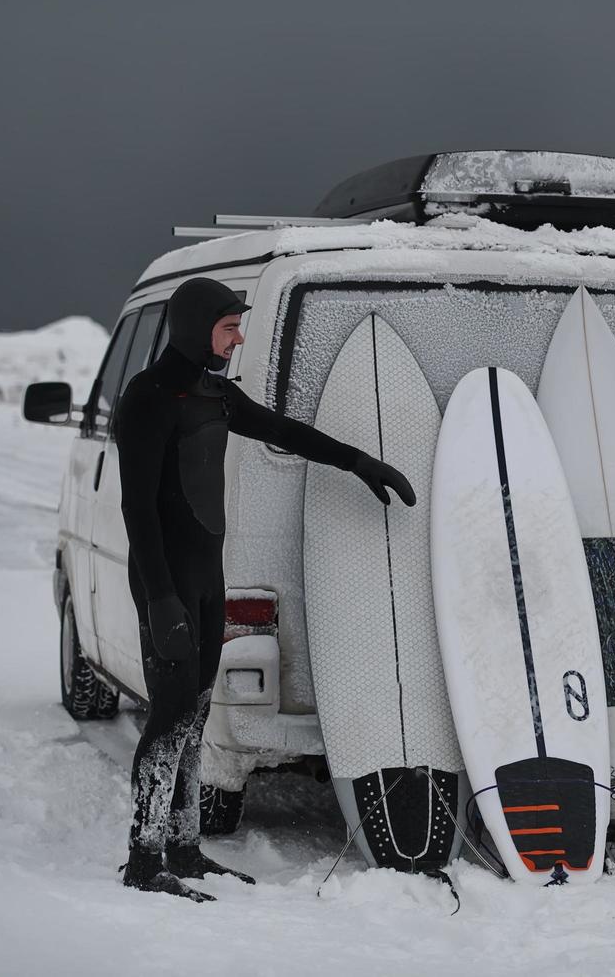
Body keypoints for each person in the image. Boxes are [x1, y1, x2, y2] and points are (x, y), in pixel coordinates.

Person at [115, 277, 415, 901]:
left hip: (205, 576)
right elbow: (138, 512)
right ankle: (144, 860)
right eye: (229, 327)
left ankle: (184, 845)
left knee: (195, 713)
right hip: (165, 581)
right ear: (199, 329)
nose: (238, 337)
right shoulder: (147, 399)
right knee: (169, 715)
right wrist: (161, 599)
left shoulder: (215, 395)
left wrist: (359, 462)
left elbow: (287, 431)